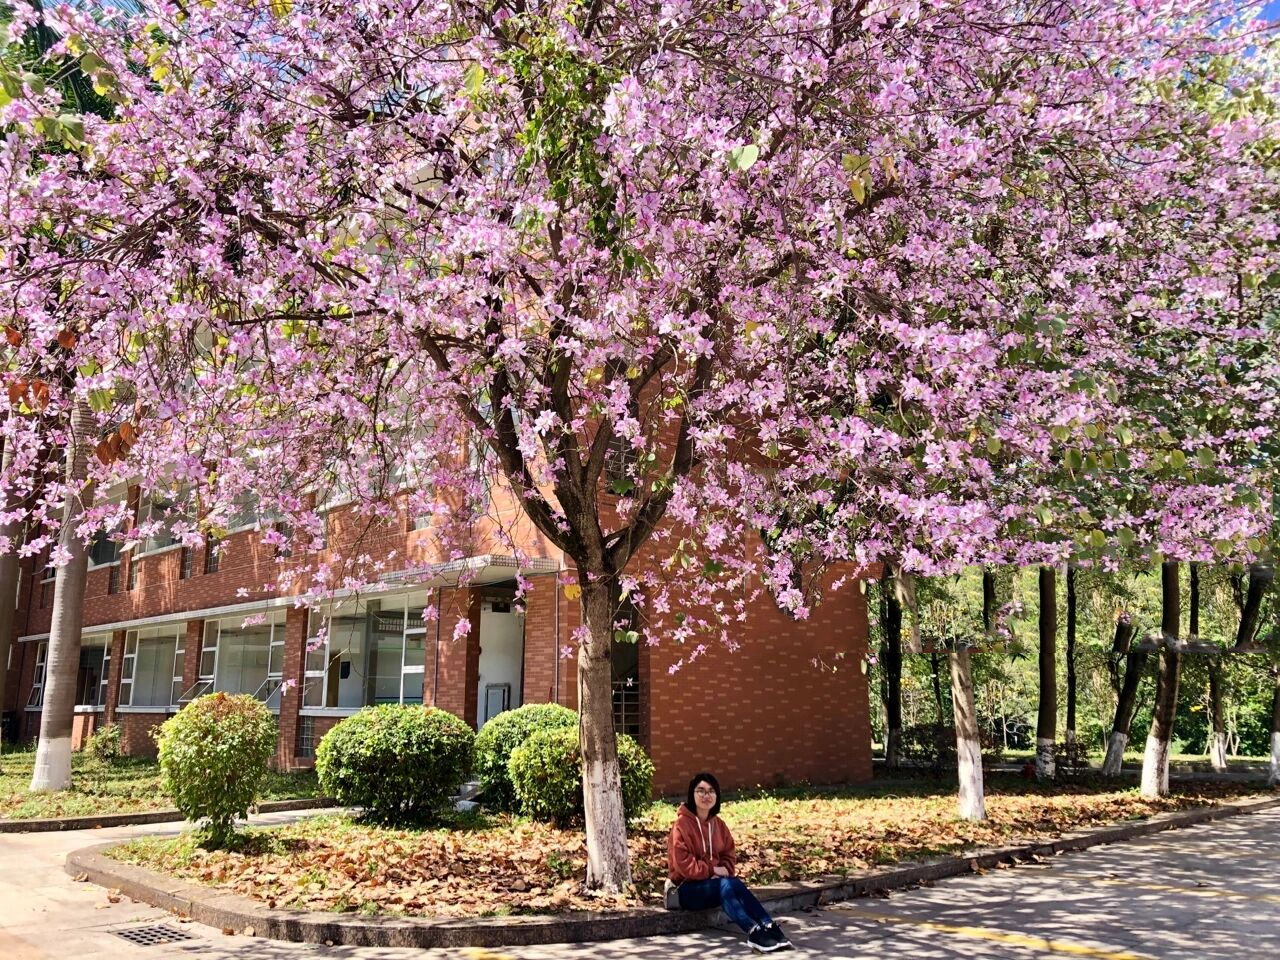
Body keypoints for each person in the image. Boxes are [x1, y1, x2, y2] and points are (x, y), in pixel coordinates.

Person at [665, 772, 792, 953]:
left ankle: (768, 925)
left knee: (730, 883)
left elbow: (729, 855)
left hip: (715, 886)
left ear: (717, 796)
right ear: (691, 795)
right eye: (700, 791)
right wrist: (712, 870)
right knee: (725, 884)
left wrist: (722, 870)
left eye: (710, 791)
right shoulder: (681, 826)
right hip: (687, 890)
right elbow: (684, 866)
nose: (705, 795)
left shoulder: (719, 825)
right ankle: (753, 931)